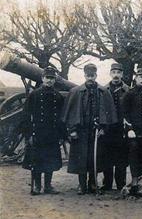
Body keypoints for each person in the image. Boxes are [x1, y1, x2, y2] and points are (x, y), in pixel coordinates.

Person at [62, 63, 117, 195]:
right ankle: (82, 185)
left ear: (96, 75)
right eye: (88, 76)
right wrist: (72, 130)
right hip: (81, 132)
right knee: (81, 158)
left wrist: (104, 128)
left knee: (95, 158)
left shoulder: (104, 92)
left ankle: (92, 183)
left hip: (96, 132)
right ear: (85, 75)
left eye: (93, 75)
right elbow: (69, 113)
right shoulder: (75, 92)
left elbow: (110, 113)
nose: (90, 78)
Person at [22, 67, 65, 195]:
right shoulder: (34, 95)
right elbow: (26, 116)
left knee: (49, 160)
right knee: (36, 160)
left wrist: (62, 135)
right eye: (47, 78)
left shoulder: (58, 96)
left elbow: (62, 118)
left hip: (52, 133)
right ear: (42, 78)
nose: (49, 80)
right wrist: (28, 134)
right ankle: (37, 186)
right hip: (37, 133)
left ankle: (48, 186)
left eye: (52, 78)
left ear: (55, 80)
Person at [101, 63, 130, 191]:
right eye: (114, 72)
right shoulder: (104, 90)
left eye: (118, 72)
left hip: (121, 128)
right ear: (110, 74)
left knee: (121, 158)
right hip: (108, 129)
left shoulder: (128, 90)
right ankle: (107, 184)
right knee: (107, 157)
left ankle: (120, 184)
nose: (116, 75)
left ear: (122, 74)